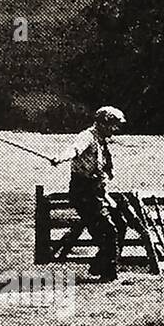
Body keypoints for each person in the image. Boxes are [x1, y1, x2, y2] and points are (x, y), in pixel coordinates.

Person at [50, 106, 125, 282]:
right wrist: (60, 158)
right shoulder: (87, 137)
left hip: (97, 191)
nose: (115, 129)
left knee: (120, 225)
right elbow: (74, 149)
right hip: (84, 191)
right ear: (102, 123)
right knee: (108, 231)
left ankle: (99, 265)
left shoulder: (101, 140)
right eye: (112, 125)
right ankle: (108, 274)